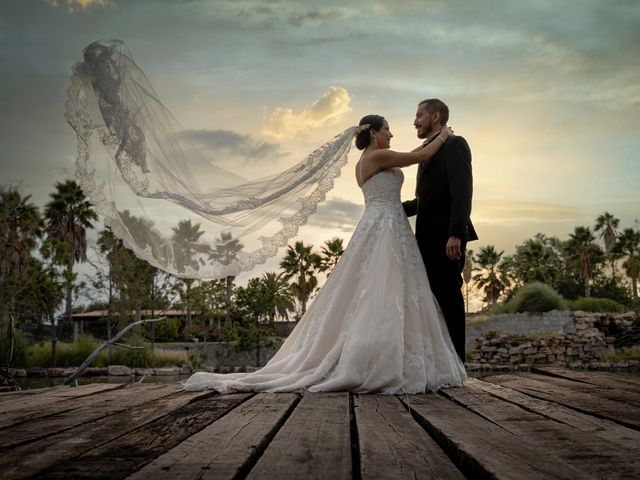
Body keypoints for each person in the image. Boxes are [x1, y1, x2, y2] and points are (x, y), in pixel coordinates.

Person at [183, 114, 467, 394]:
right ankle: (373, 363)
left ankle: (393, 357)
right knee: (379, 288)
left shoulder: (375, 158)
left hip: (388, 224)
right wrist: (444, 134)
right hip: (385, 227)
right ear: (374, 134)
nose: (391, 135)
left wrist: (432, 140)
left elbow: (413, 152)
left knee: (387, 289)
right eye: (387, 130)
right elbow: (423, 154)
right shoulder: (375, 158)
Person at [403, 99, 478, 362]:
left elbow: (462, 192)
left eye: (419, 115)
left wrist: (456, 234)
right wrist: (391, 208)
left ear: (435, 116)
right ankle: (439, 363)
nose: (415, 121)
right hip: (424, 239)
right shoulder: (430, 149)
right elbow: (426, 199)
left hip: (447, 238)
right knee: (431, 300)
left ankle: (457, 363)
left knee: (449, 297)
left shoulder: (455, 145)